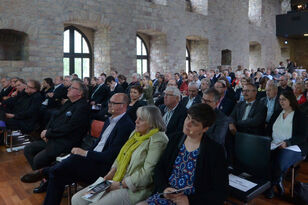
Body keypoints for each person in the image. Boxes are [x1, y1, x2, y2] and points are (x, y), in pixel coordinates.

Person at [72, 105, 169, 205]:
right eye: (137, 117)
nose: (136, 121)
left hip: (134, 188)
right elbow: (121, 156)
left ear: (151, 123)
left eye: (141, 119)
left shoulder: (158, 139)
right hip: (116, 179)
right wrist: (112, 171)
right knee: (76, 199)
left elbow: (148, 173)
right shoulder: (135, 134)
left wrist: (121, 184)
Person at [140, 103, 228, 205]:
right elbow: (160, 168)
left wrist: (190, 201)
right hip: (167, 195)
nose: (187, 123)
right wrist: (164, 188)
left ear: (205, 129)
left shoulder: (215, 151)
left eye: (194, 123)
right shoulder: (174, 139)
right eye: (188, 117)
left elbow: (221, 192)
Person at [22, 79, 90, 193]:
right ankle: (47, 179)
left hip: (67, 142)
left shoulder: (82, 107)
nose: (68, 89)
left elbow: (69, 128)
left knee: (38, 160)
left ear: (80, 93)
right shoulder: (69, 102)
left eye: (72, 87)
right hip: (55, 137)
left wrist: (49, 133)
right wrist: (47, 131)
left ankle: (48, 181)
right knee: (28, 149)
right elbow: (55, 118)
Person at [265, 90, 308, 198]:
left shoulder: (300, 115)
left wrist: (287, 143)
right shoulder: (277, 113)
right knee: (263, 158)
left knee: (280, 160)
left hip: (293, 146)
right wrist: (267, 140)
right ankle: (276, 180)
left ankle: (271, 186)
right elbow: (268, 130)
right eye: (280, 100)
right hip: (274, 144)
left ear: (291, 100)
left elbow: (302, 136)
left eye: (284, 99)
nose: (281, 102)